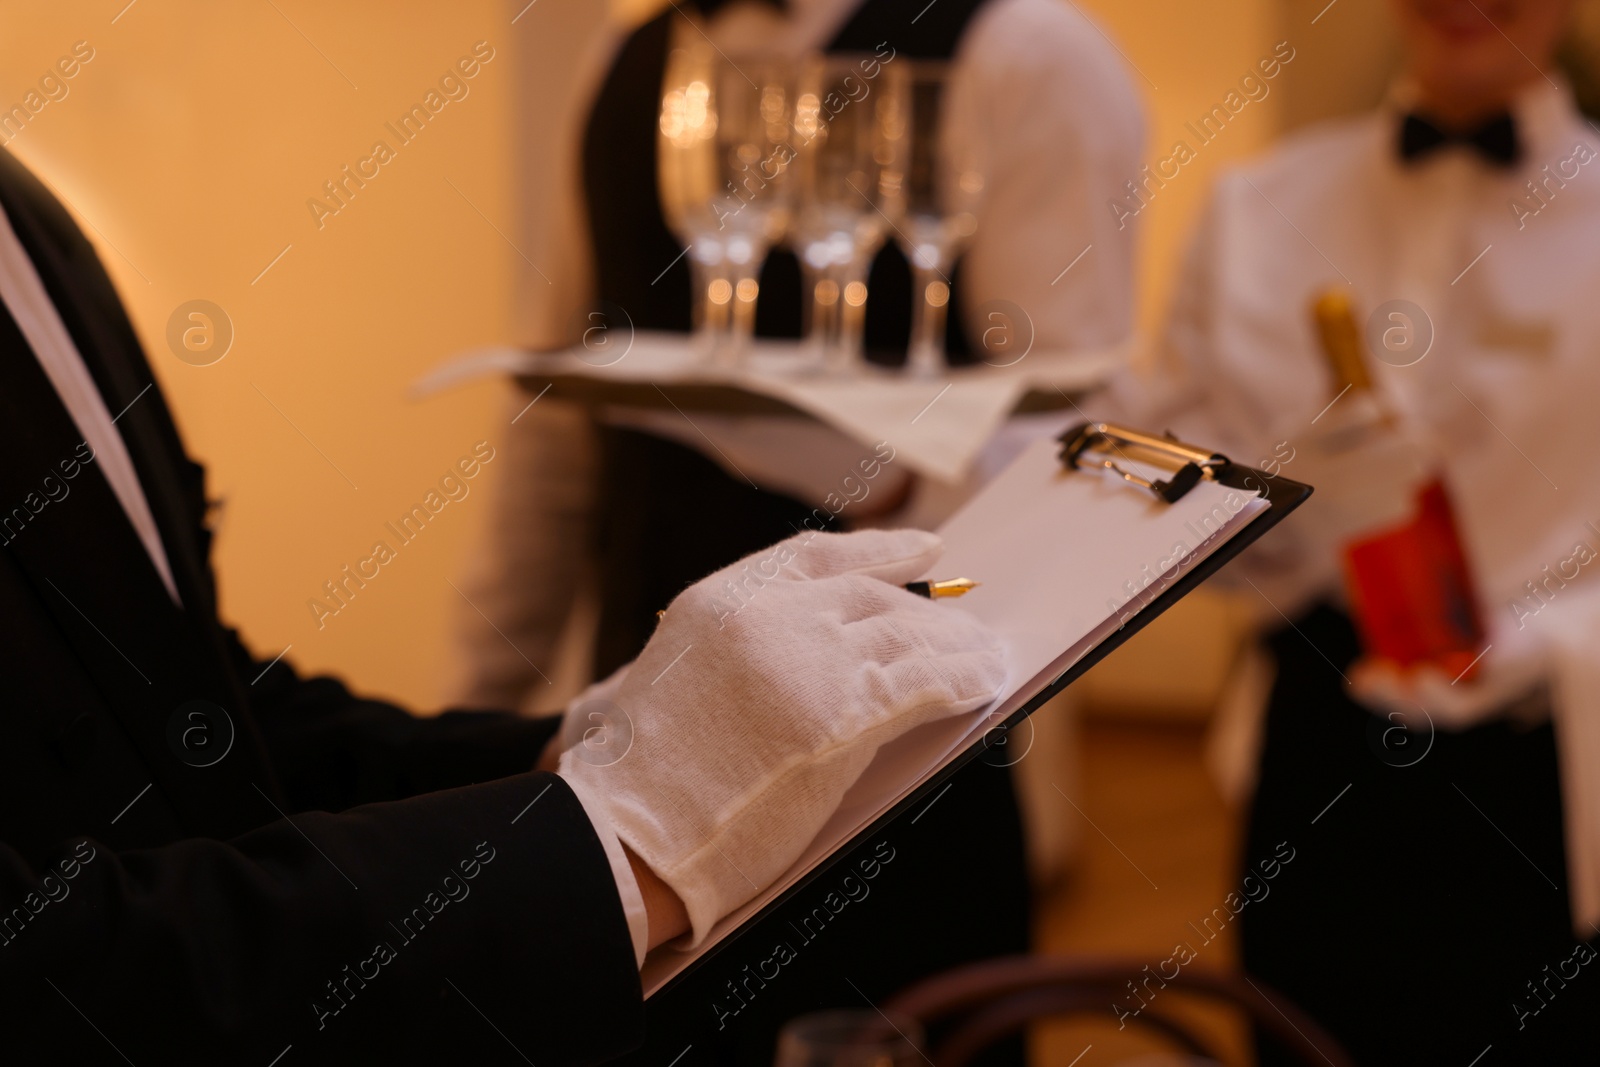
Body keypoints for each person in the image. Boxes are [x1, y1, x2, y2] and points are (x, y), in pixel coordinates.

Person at [0, 144, 1005, 1064]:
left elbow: (192, 713)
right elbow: (55, 970)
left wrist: (596, 741)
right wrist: (618, 835)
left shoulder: (30, 210)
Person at [451, 5, 1143, 1052]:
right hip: (638, 776)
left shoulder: (1026, 53)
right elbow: (557, 429)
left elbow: (1074, 451)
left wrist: (868, 475)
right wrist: (479, 711)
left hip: (897, 782)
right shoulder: (627, 57)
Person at [1098, 0, 1600, 1060]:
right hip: (1316, 730)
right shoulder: (1255, 208)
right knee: (1302, 1032)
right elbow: (1170, 514)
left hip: (1552, 753)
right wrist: (1260, 503)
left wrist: (1544, 644)